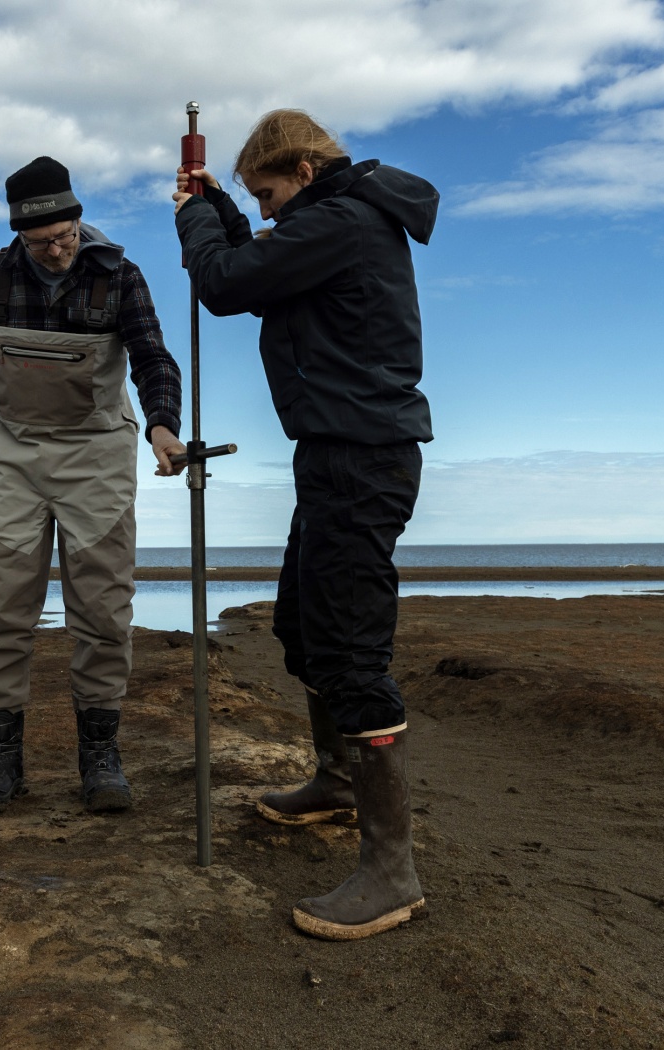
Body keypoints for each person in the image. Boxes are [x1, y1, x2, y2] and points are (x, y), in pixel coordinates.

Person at [172, 110, 436, 941]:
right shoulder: (332, 219)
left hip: (361, 462)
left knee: (354, 656)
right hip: (335, 457)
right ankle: (337, 783)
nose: (269, 212)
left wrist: (192, 218)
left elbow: (225, 286)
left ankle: (392, 871)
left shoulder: (344, 222)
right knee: (301, 628)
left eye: (270, 194)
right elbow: (254, 262)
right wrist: (218, 209)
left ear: (307, 172)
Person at [0, 156, 186, 816]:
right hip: (13, 455)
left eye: (66, 236)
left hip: (97, 455)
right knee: (2, 609)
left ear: (79, 220)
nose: (57, 251)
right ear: (18, 235)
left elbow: (152, 356)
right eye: (41, 242)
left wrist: (163, 426)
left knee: (104, 611)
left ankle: (100, 759)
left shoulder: (120, 275)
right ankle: (1, 762)